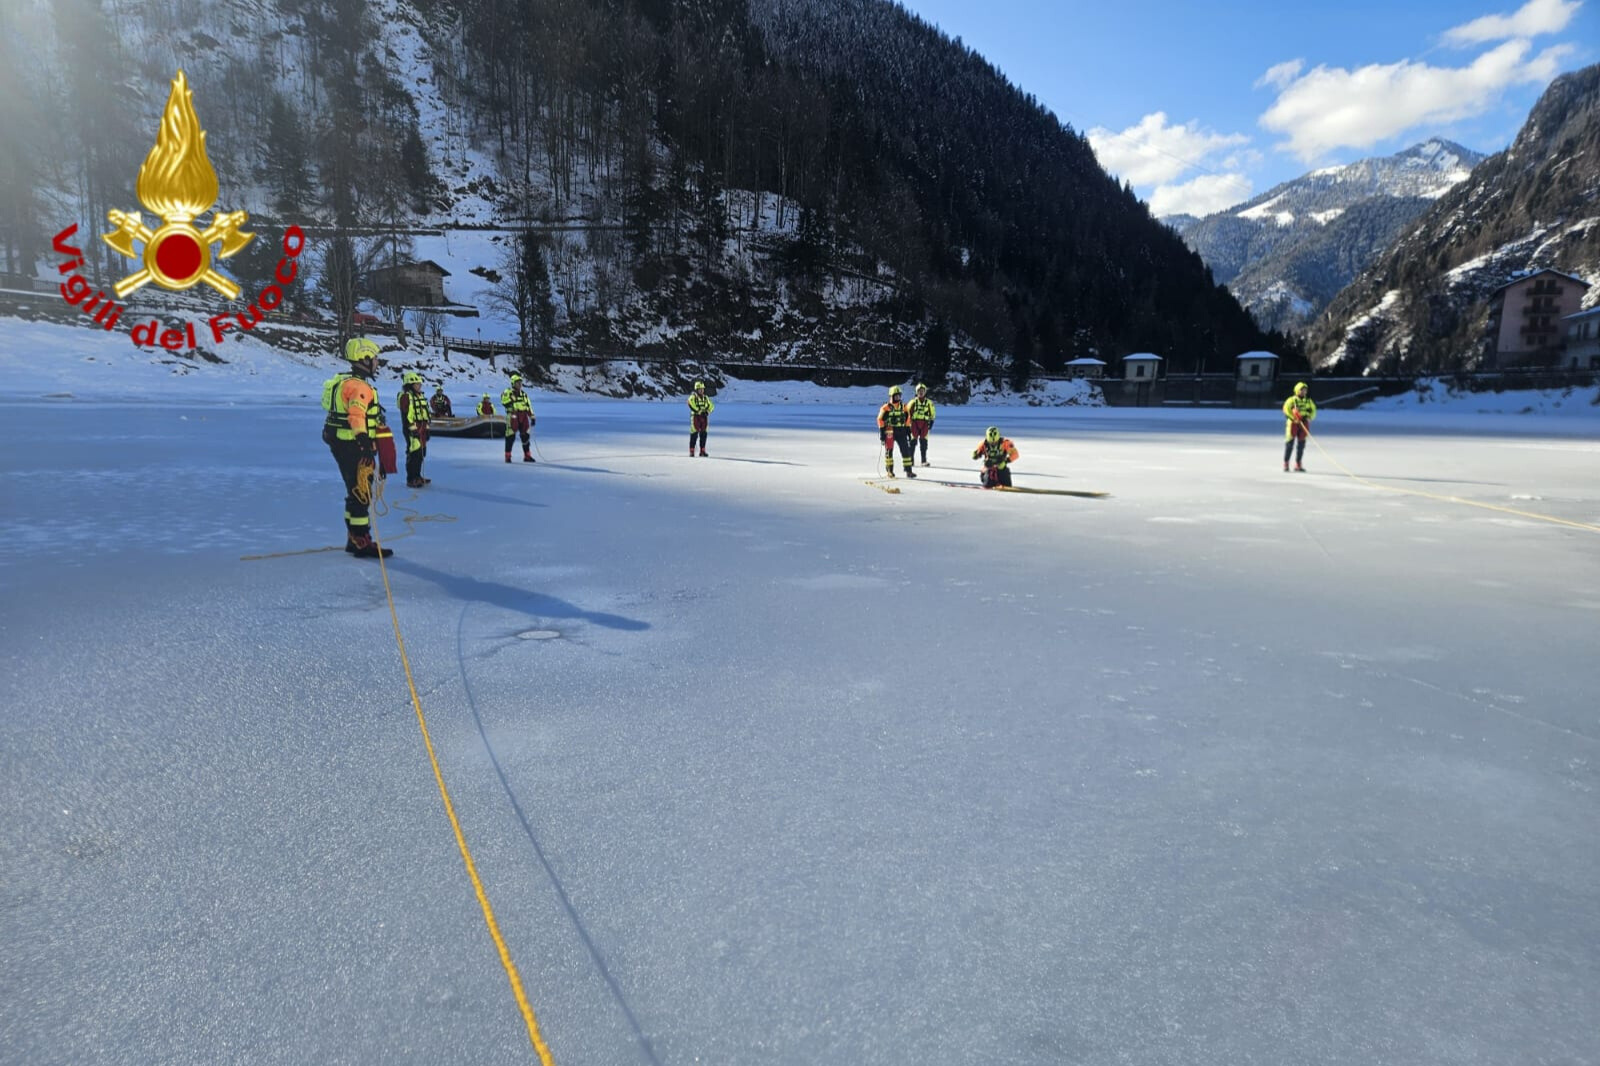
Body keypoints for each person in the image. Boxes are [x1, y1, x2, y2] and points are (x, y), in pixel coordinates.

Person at [320, 336, 392, 558]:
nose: (377, 363)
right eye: (375, 359)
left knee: (355, 490)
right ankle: (361, 540)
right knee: (361, 492)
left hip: (341, 442)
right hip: (352, 444)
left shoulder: (345, 382)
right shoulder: (360, 387)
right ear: (365, 359)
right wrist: (364, 443)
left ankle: (355, 537)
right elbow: (357, 415)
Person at [397, 371, 432, 488]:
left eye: (419, 384)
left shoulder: (420, 396)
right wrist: (413, 430)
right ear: (410, 385)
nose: (419, 386)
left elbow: (425, 415)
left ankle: (418, 476)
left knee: (422, 452)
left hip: (421, 427)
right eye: (417, 384)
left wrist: (426, 429)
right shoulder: (406, 397)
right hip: (412, 428)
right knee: (414, 453)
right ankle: (411, 479)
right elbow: (406, 416)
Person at [877, 384, 916, 478]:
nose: (898, 397)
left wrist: (908, 430)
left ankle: (908, 471)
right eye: (896, 395)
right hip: (889, 431)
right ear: (891, 396)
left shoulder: (904, 406)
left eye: (899, 395)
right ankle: (890, 471)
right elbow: (880, 419)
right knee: (889, 451)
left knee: (906, 451)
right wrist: (882, 433)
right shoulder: (885, 407)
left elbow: (908, 418)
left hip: (901, 431)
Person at [1282, 380, 1317, 472]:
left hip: (1304, 423)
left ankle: (1298, 464)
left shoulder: (1309, 401)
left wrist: (1310, 417)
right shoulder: (1291, 400)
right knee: (1290, 444)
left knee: (1301, 444)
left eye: (1305, 390)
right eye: (1302, 390)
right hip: (1293, 424)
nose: (1304, 392)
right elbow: (1286, 410)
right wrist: (1293, 418)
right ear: (1297, 390)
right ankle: (1286, 463)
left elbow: (1313, 410)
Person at [501, 373, 535, 463]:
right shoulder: (507, 392)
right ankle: (507, 456)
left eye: (520, 382)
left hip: (523, 416)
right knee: (510, 436)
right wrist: (511, 399)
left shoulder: (524, 394)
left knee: (525, 436)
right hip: (513, 416)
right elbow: (504, 402)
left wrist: (532, 416)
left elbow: (528, 406)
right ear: (513, 383)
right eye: (517, 383)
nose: (520, 384)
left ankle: (527, 456)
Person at [907, 382, 937, 466]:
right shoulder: (912, 402)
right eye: (919, 391)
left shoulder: (929, 403)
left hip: (924, 424)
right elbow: (906, 413)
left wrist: (931, 422)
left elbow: (933, 413)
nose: (921, 392)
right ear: (916, 392)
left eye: (922, 391)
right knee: (912, 442)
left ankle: (923, 460)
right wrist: (907, 425)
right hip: (914, 424)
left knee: (924, 443)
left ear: (925, 392)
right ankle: (910, 460)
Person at [688, 380, 714, 456]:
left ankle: (702, 451)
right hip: (695, 417)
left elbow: (712, 405)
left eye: (703, 389)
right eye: (700, 389)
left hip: (704, 417)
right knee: (694, 434)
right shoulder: (693, 397)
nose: (702, 390)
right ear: (696, 389)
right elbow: (690, 404)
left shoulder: (706, 398)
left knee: (704, 434)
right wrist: (699, 411)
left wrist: (708, 411)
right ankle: (692, 451)